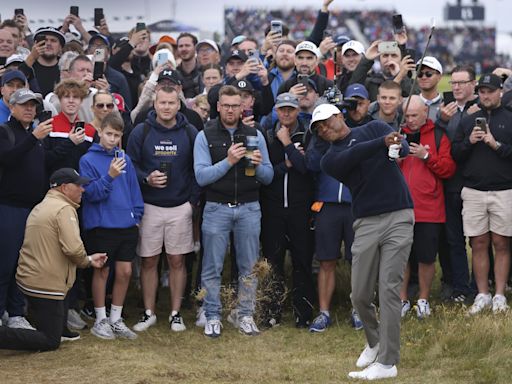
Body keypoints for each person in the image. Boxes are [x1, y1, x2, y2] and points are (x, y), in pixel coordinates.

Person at [316, 103, 414, 380]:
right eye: (318, 128)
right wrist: (381, 144)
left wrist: (397, 147)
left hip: (398, 214)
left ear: (339, 116)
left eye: (325, 122)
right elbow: (354, 155)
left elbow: (403, 149)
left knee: (389, 289)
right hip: (366, 222)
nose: (323, 129)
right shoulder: (330, 158)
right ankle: (374, 342)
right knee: (359, 295)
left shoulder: (374, 127)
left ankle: (387, 362)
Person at [193, 85, 273, 338]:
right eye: (226, 105)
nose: (230, 110)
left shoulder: (254, 134)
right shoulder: (204, 135)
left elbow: (269, 176)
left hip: (249, 207)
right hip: (216, 208)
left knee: (249, 266)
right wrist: (228, 161)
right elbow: (201, 176)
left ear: (243, 107)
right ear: (218, 106)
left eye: (235, 106)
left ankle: (245, 314)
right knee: (212, 266)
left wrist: (258, 166)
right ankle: (212, 315)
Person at [0, 168, 107, 351]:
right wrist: (86, 261)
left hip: (30, 280)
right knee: (50, 341)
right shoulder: (64, 209)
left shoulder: (42, 204)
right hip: (45, 286)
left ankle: (60, 328)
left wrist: (87, 259)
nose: (83, 190)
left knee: (54, 328)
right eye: (79, 185)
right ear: (65, 187)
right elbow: (73, 248)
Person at [127, 86, 200, 332]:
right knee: (148, 261)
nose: (166, 107)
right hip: (150, 206)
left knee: (177, 260)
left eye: (171, 102)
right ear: (154, 104)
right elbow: (129, 165)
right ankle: (148, 312)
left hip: (180, 206)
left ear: (179, 105)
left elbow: (197, 170)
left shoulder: (190, 132)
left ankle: (175, 312)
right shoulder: (141, 131)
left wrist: (191, 202)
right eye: (162, 103)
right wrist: (146, 178)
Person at [451, 73, 512, 315]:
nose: (486, 96)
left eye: (490, 91)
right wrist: (469, 141)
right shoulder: (468, 121)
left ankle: (499, 294)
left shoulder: (509, 118)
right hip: (474, 190)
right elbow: (456, 154)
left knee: (501, 242)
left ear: (500, 92)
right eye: (483, 91)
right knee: (478, 242)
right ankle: (482, 294)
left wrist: (495, 145)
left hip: (504, 190)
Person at [80, 112, 144, 340]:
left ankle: (116, 318)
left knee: (125, 271)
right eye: (109, 134)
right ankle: (100, 319)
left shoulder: (123, 158)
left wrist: (137, 215)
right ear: (100, 131)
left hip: (126, 224)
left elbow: (134, 189)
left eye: (116, 135)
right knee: (103, 270)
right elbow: (90, 194)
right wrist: (109, 176)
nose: (112, 139)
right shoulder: (87, 160)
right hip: (102, 225)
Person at [398, 96, 456, 318]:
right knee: (401, 256)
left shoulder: (438, 135)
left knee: (426, 257)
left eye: (414, 115)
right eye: (407, 116)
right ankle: (402, 300)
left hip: (429, 207)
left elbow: (448, 169)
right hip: (400, 206)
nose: (410, 120)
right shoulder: (397, 134)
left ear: (425, 113)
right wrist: (392, 157)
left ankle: (423, 299)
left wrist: (427, 156)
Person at [260, 93, 314, 328]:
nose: (286, 114)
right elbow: (264, 175)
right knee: (273, 262)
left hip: (300, 209)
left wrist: (288, 144)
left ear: (297, 110)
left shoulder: (308, 134)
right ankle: (272, 312)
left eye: (290, 109)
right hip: (273, 210)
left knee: (302, 261)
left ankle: (302, 312)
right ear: (276, 110)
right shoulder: (267, 135)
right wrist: (285, 164)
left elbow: (306, 168)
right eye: (282, 109)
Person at [0, 88, 52, 330]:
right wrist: (33, 139)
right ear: (12, 107)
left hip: (33, 209)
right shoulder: (5, 131)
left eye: (33, 105)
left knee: (23, 263)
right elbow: (6, 159)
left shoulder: (37, 135)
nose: (29, 109)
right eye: (24, 105)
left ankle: (16, 312)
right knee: (5, 263)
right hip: (8, 207)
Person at [436, 65, 479, 302]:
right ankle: (460, 287)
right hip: (451, 181)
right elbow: (440, 142)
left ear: (473, 83)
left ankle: (483, 286)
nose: (457, 87)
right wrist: (442, 121)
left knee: (480, 239)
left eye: (462, 82)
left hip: (476, 181)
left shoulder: (481, 108)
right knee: (454, 239)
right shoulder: (446, 111)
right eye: (453, 83)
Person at [32, 27, 65, 97]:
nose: (48, 43)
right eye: (45, 40)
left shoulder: (66, 68)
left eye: (53, 40)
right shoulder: (28, 67)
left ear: (60, 47)